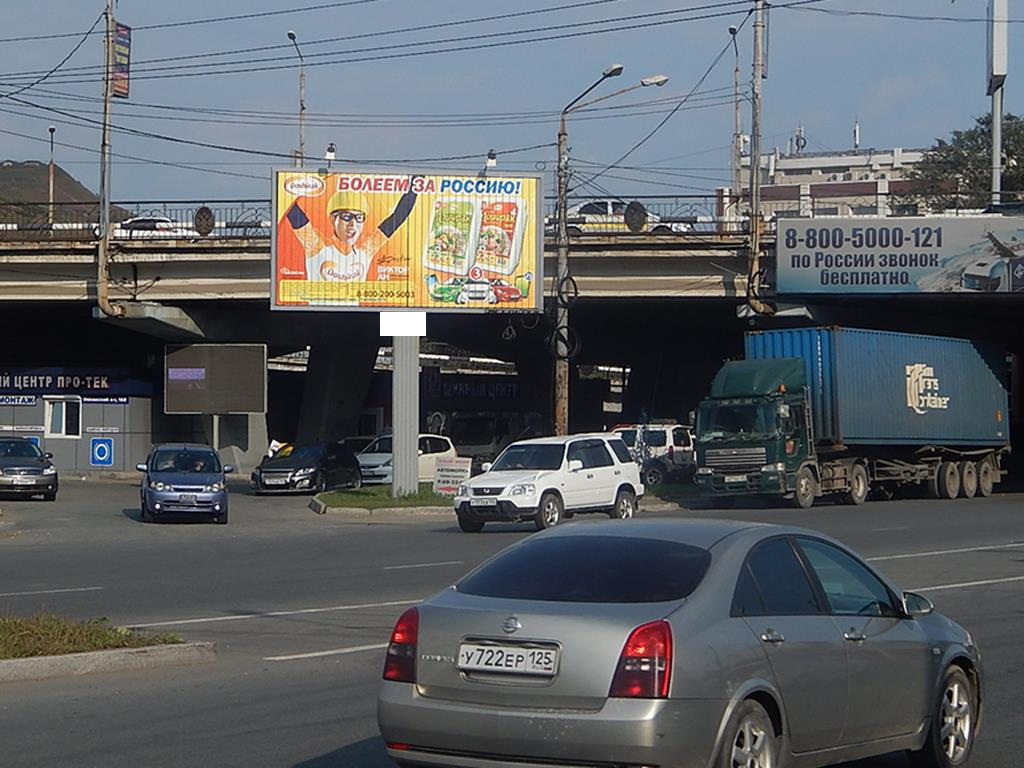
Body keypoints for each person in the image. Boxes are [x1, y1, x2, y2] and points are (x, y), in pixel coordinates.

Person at [286, 182, 419, 282]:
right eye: (347, 217)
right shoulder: (316, 246)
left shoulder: (366, 250)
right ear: (333, 219)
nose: (352, 224)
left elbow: (398, 216)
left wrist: (417, 182)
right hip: (318, 314)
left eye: (359, 218)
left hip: (358, 315)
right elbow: (292, 212)